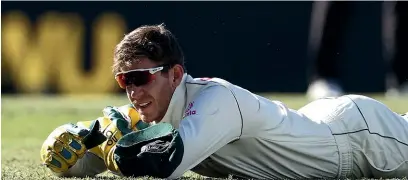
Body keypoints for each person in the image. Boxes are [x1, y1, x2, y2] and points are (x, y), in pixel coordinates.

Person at [41, 24, 408, 179]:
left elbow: (166, 165)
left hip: (357, 139)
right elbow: (88, 159)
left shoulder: (215, 100)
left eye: (141, 78)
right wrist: (67, 146)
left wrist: (111, 149)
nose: (133, 91)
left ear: (175, 73)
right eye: (125, 80)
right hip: (320, 123)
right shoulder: (143, 111)